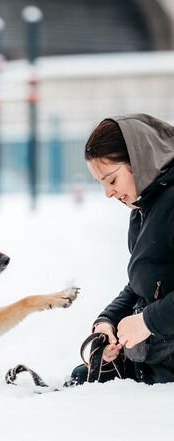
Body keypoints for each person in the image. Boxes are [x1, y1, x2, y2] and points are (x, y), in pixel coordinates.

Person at [71, 113, 174, 385]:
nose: (108, 193)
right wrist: (108, 322)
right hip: (158, 356)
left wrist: (147, 322)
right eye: (102, 184)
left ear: (138, 161)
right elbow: (145, 283)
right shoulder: (144, 208)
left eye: (112, 180)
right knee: (83, 378)